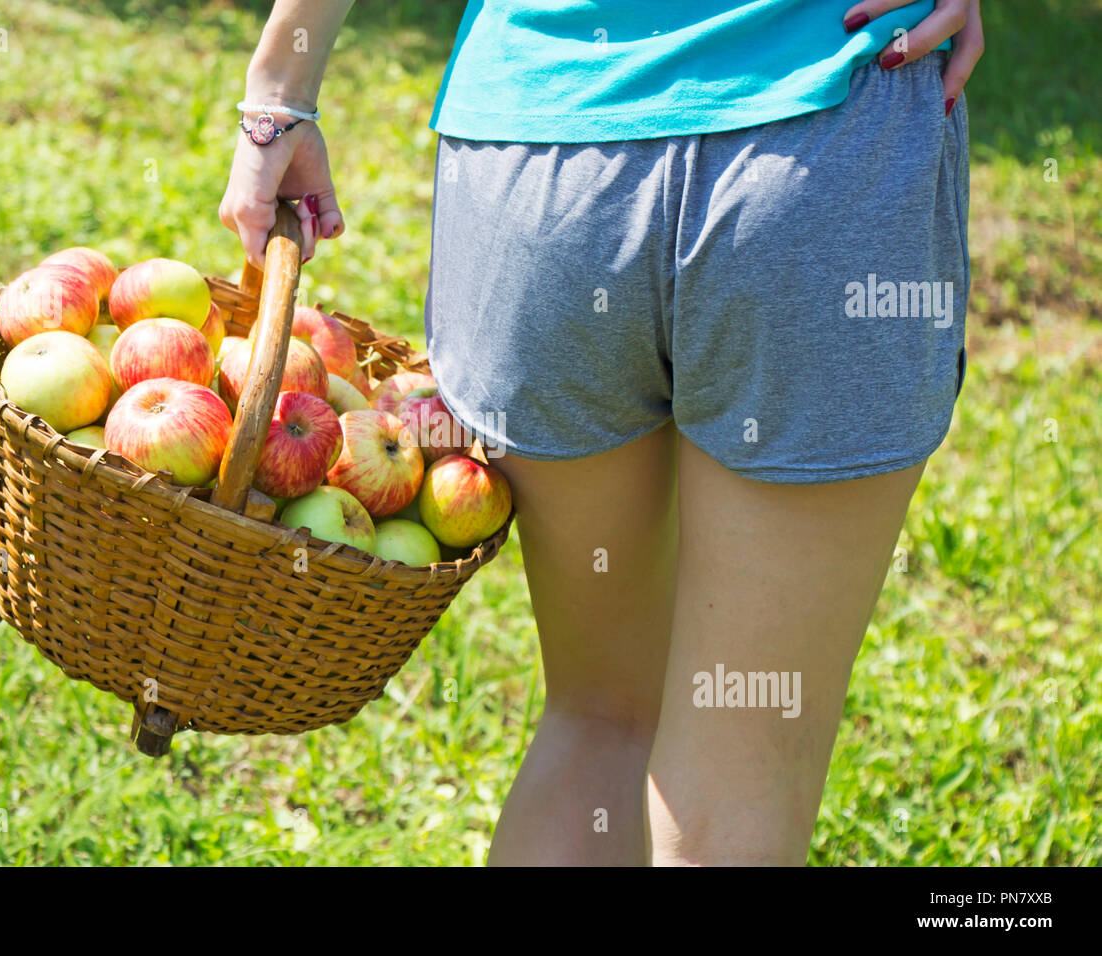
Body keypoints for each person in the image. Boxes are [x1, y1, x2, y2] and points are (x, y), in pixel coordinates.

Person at [220, 0, 984, 866]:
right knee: (745, 745)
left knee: (599, 715)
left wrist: (279, 91)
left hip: (543, 161)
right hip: (819, 141)